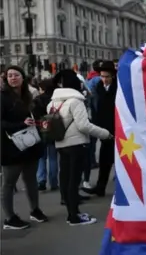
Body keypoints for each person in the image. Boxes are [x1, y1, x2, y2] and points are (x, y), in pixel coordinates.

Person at [49, 69, 111, 226]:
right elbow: (84, 125)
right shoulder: (76, 101)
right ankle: (74, 215)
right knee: (74, 180)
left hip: (61, 143)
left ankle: (71, 213)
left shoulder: (53, 102)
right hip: (77, 144)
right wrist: (105, 134)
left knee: (65, 177)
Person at [1, 66, 48, 229]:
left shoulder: (29, 95)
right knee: (8, 183)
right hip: (11, 147)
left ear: (23, 77)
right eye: (9, 76)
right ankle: (9, 218)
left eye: (16, 75)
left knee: (31, 180)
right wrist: (21, 124)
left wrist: (42, 122)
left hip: (31, 144)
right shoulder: (2, 97)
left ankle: (35, 210)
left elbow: (38, 114)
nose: (12, 78)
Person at [82, 61, 117, 197]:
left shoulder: (118, 87)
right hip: (103, 129)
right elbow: (96, 107)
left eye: (107, 76)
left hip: (117, 128)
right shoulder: (98, 86)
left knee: (119, 160)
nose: (104, 79)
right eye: (102, 76)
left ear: (113, 76)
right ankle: (100, 187)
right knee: (104, 159)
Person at [33, 79, 59, 191]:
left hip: (40, 130)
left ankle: (41, 180)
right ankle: (53, 182)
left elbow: (33, 115)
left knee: (41, 158)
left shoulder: (37, 100)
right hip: (52, 130)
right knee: (53, 158)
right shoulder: (55, 100)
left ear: (42, 88)